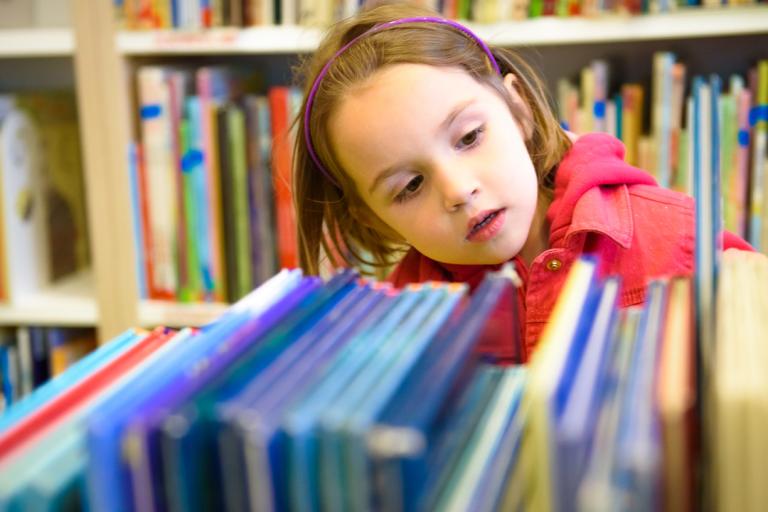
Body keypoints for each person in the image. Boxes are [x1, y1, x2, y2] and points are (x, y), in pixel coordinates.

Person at [292, 2, 752, 361]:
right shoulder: (397, 318)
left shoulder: (681, 239)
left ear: (519, 110)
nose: (457, 191)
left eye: (470, 136)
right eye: (410, 186)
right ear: (373, 220)